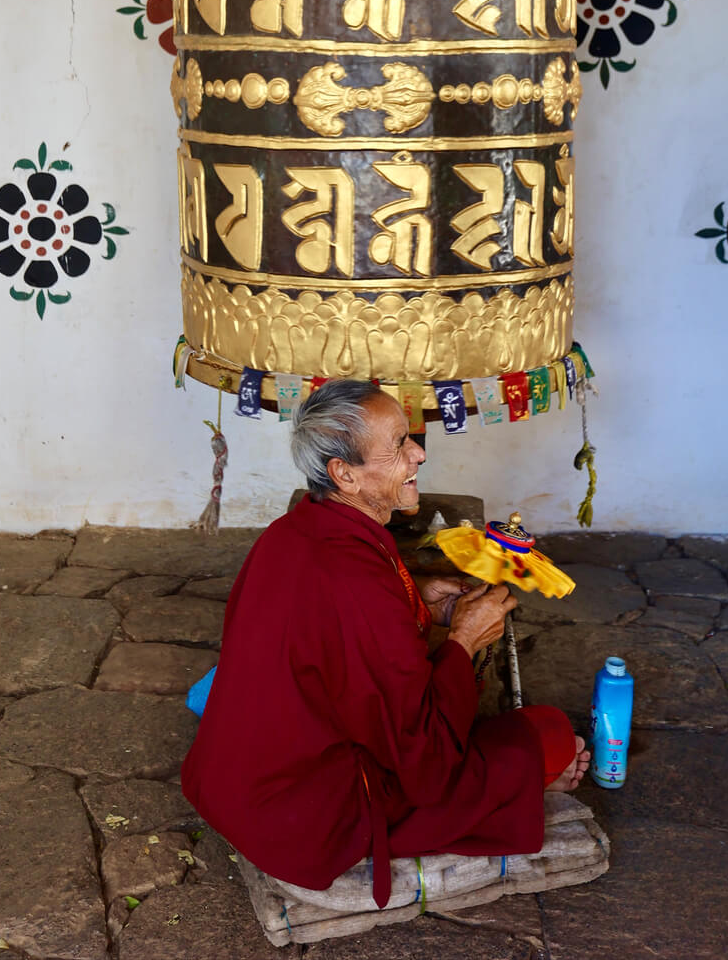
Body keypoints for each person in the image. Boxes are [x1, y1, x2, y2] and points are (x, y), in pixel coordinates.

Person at [181, 379, 590, 907]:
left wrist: (422, 602)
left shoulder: (297, 530)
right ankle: (530, 786)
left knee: (535, 740)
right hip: (304, 814)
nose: (418, 453)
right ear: (344, 474)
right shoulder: (352, 573)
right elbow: (424, 755)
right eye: (399, 444)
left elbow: (340, 627)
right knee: (543, 740)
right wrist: (465, 637)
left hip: (234, 781)